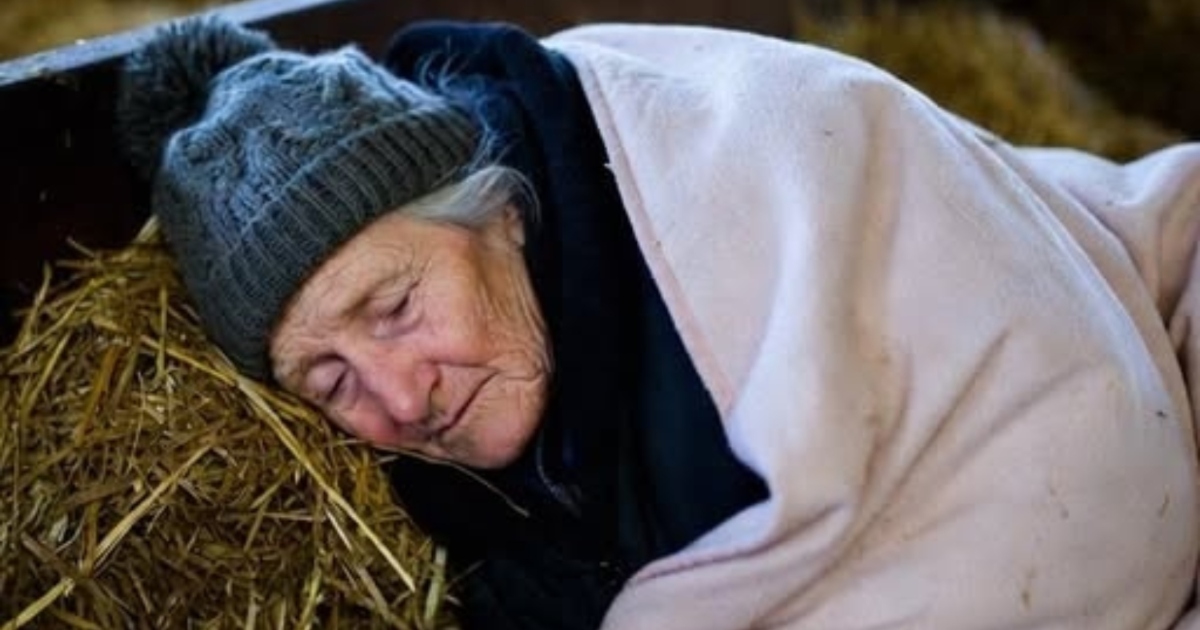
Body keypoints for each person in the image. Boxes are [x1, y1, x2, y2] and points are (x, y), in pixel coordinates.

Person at [115, 14, 1200, 630]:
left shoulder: (716, 178)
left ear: (498, 208)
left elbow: (1081, 463)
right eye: (331, 382)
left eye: (395, 307)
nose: (399, 401)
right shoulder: (460, 492)